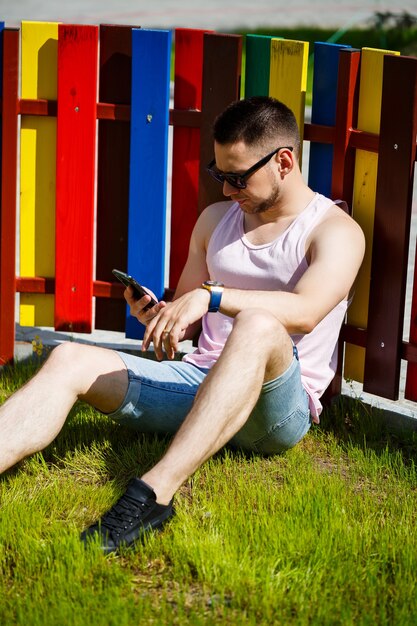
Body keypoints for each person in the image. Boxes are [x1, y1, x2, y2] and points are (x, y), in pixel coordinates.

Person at [0, 96, 365, 553]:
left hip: (276, 411)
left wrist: (211, 296)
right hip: (199, 382)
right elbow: (186, 323)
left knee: (257, 323)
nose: (228, 191)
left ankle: (154, 495)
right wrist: (161, 316)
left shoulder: (335, 230)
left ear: (284, 162)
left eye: (238, 178)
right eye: (220, 175)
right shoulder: (215, 220)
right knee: (68, 357)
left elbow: (307, 310)